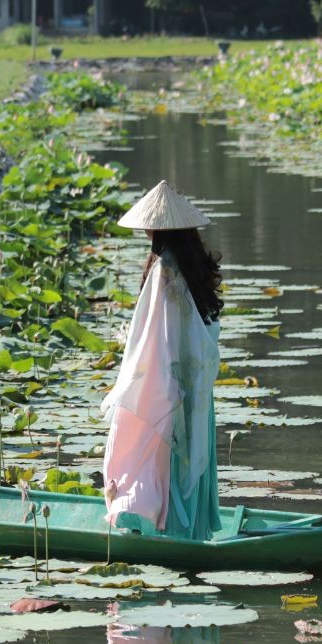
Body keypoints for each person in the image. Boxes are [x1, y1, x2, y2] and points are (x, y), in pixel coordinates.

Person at [102, 181, 222, 540]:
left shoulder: (164, 272)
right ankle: (190, 535)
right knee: (190, 463)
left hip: (167, 388)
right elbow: (201, 337)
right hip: (196, 389)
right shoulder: (198, 272)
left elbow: (158, 340)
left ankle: (168, 534)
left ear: (157, 231)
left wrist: (136, 382)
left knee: (158, 459)